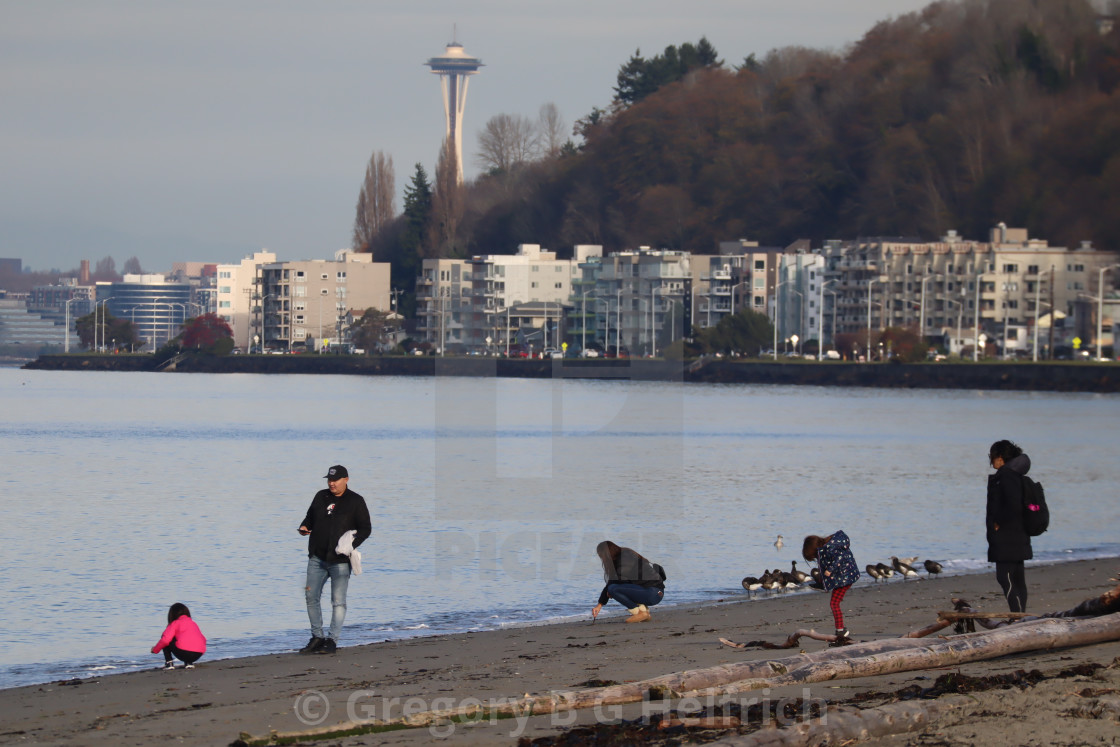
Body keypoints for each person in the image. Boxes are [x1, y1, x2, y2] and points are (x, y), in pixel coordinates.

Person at [298, 464, 371, 655]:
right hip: (317, 557)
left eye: (335, 480)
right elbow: (309, 518)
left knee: (338, 601)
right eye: (329, 480)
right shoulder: (320, 496)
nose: (331, 484)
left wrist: (351, 545)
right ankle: (317, 637)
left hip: (339, 561)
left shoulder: (356, 501)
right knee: (310, 596)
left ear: (345, 480)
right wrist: (304, 527)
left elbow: (366, 528)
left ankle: (332, 640)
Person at [987, 439, 1032, 613]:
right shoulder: (1015, 474)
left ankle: (1018, 616)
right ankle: (1020, 614)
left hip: (1007, 536)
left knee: (1005, 577)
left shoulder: (1006, 475)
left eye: (992, 456)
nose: (991, 461)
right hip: (1018, 534)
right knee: (1017, 578)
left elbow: (1012, 504)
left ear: (1000, 457)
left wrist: (998, 522)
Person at [802, 531, 860, 646]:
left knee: (834, 603)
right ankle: (822, 584)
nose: (815, 558)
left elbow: (840, 557)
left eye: (813, 556)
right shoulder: (825, 547)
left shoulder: (828, 549)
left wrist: (831, 569)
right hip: (845, 575)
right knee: (834, 600)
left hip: (846, 578)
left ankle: (841, 631)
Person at [590, 540, 665, 623]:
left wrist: (608, 592)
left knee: (613, 589)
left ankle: (639, 613)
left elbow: (615, 582)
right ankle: (644, 613)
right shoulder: (625, 554)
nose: (602, 559)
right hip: (655, 593)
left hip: (652, 593)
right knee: (613, 588)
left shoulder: (624, 559)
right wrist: (599, 605)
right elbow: (613, 581)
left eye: (601, 555)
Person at [152, 602, 206, 670]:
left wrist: (155, 650)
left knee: (166, 639)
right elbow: (203, 639)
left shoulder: (175, 623)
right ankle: (189, 663)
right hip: (198, 654)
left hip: (183, 653)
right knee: (186, 639)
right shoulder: (193, 623)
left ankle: (169, 663)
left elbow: (165, 640)